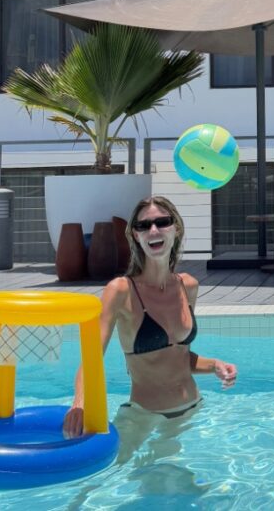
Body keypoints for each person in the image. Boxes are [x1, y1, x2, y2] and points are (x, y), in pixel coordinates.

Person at [63, 195, 237, 461]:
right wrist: (79, 402)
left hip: (192, 409)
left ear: (175, 228)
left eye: (162, 222)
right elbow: (92, 355)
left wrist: (214, 364)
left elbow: (176, 356)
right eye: (144, 226)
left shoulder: (188, 285)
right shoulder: (120, 290)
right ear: (135, 235)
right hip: (143, 417)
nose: (153, 230)